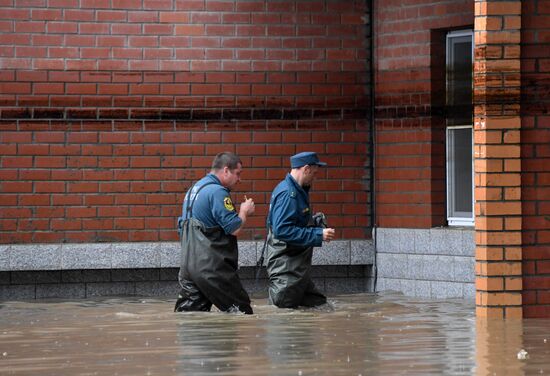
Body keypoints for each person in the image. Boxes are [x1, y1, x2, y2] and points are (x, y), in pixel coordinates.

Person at [175, 152, 255, 314]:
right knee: (242, 313)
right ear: (226, 170)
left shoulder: (193, 190)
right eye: (238, 174)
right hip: (213, 270)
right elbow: (234, 228)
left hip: (188, 269)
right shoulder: (218, 192)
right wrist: (244, 212)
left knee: (190, 318)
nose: (239, 179)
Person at [266, 151, 336, 308]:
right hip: (287, 270)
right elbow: (282, 230)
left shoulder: (296, 191)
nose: (315, 177)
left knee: (323, 308)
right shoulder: (288, 194)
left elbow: (291, 224)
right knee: (284, 316)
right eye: (314, 173)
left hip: (296, 270)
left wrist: (313, 223)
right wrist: (318, 234)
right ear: (306, 169)